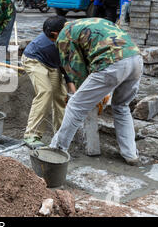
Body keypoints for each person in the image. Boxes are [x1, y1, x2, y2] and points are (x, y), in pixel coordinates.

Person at [49, 17, 143, 166]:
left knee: (75, 105)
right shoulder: (91, 21)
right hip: (135, 59)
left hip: (111, 62)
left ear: (54, 34)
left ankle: (56, 151)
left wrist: (83, 94)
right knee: (121, 107)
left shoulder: (64, 34)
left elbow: (76, 69)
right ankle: (131, 155)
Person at [21, 16, 76, 149]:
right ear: (55, 34)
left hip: (52, 63)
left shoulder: (66, 36)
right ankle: (31, 135)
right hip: (34, 60)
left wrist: (70, 86)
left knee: (61, 96)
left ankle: (61, 135)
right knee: (45, 91)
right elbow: (65, 64)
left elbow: (66, 63)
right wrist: (71, 84)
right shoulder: (50, 44)